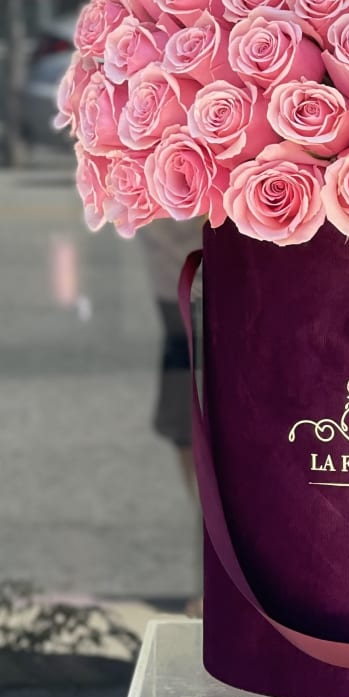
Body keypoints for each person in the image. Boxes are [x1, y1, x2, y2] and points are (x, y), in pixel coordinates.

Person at [139, 218, 204, 616]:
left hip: (199, 292)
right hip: (185, 297)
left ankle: (214, 584)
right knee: (195, 449)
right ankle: (212, 583)